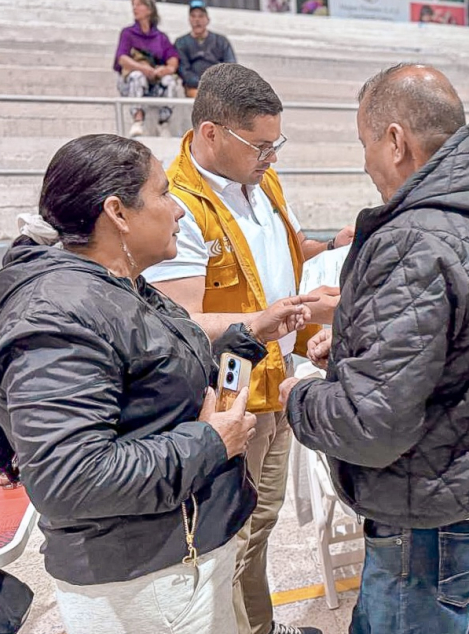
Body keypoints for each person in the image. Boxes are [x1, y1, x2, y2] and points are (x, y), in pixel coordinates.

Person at [0, 134, 312, 633]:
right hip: (145, 583)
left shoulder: (112, 283)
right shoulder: (56, 315)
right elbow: (70, 480)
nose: (179, 210)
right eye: (163, 193)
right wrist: (209, 442)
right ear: (117, 212)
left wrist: (248, 336)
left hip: (178, 562)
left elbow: (153, 367)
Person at [279, 63, 469, 634]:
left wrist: (299, 395)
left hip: (425, 510)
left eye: (365, 143)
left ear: (395, 140)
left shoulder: (415, 238)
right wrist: (352, 348)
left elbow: (373, 425)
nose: (365, 162)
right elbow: (459, 351)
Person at [143, 63, 349, 634]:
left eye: (275, 143)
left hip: (278, 376)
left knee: (260, 523)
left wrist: (331, 244)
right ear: (211, 133)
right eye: (260, 145)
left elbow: (287, 249)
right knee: (231, 532)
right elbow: (182, 320)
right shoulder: (179, 206)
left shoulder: (260, 179)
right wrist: (263, 320)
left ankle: (257, 625)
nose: (271, 156)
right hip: (231, 393)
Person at [113, 0, 180, 138]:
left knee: (170, 81)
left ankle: (163, 123)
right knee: (137, 76)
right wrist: (142, 68)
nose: (134, 8)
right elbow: (121, 58)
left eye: (139, 5)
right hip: (131, 81)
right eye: (133, 5)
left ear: (149, 10)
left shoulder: (160, 37)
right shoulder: (128, 33)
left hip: (153, 82)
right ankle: (137, 120)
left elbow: (172, 57)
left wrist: (166, 69)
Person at [176, 0, 237, 98]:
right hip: (195, 88)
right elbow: (184, 70)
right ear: (189, 20)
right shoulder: (181, 43)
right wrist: (202, 84)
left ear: (207, 19)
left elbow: (231, 65)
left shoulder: (221, 41)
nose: (197, 20)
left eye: (201, 16)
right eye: (193, 16)